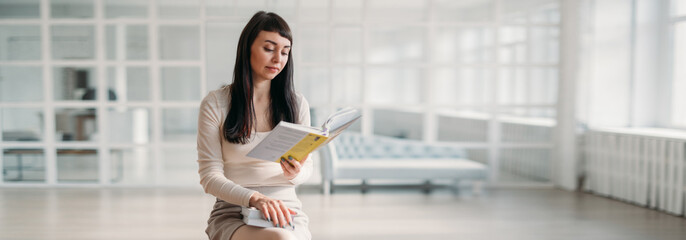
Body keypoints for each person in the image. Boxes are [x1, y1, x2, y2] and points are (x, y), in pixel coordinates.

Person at [197, 11, 313, 240]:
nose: (278, 59)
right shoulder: (216, 103)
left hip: (285, 209)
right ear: (247, 48)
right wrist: (256, 198)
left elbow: (308, 169)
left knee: (285, 236)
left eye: (285, 52)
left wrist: (296, 173)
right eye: (269, 49)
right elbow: (209, 176)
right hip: (233, 210)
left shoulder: (296, 104)